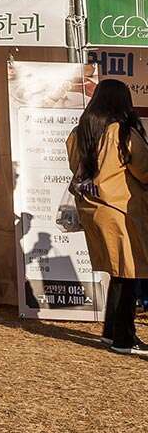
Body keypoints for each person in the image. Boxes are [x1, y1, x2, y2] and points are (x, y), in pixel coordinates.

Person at [67, 79, 148, 355]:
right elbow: (144, 169)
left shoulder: (80, 132)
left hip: (93, 209)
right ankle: (124, 338)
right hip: (121, 208)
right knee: (130, 271)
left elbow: (74, 167)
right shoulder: (122, 131)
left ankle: (110, 330)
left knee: (119, 271)